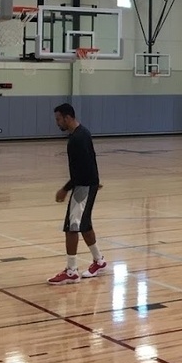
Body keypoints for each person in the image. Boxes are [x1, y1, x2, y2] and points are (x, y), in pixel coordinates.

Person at [47, 103, 107, 285]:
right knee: (85, 225)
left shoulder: (76, 140)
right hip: (89, 184)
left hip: (83, 187)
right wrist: (96, 181)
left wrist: (64, 189)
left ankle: (71, 271)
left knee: (72, 227)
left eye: (58, 119)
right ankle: (99, 261)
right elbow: (91, 161)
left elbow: (79, 172)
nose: (57, 123)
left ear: (67, 117)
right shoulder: (84, 132)